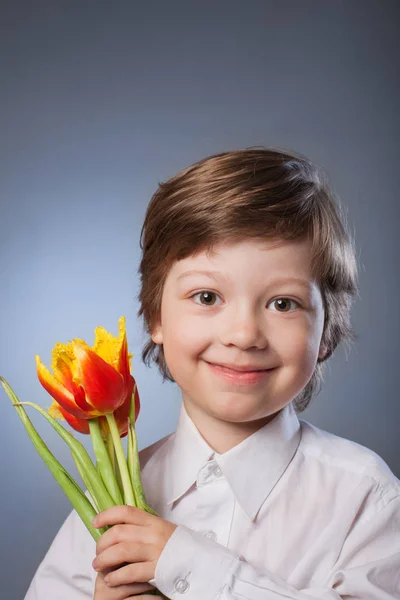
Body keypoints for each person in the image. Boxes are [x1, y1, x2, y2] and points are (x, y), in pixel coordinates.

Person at [25, 148, 400, 600]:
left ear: (325, 332)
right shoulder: (104, 508)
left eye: (283, 303)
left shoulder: (368, 497)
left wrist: (191, 566)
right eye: (206, 297)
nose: (243, 335)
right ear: (155, 319)